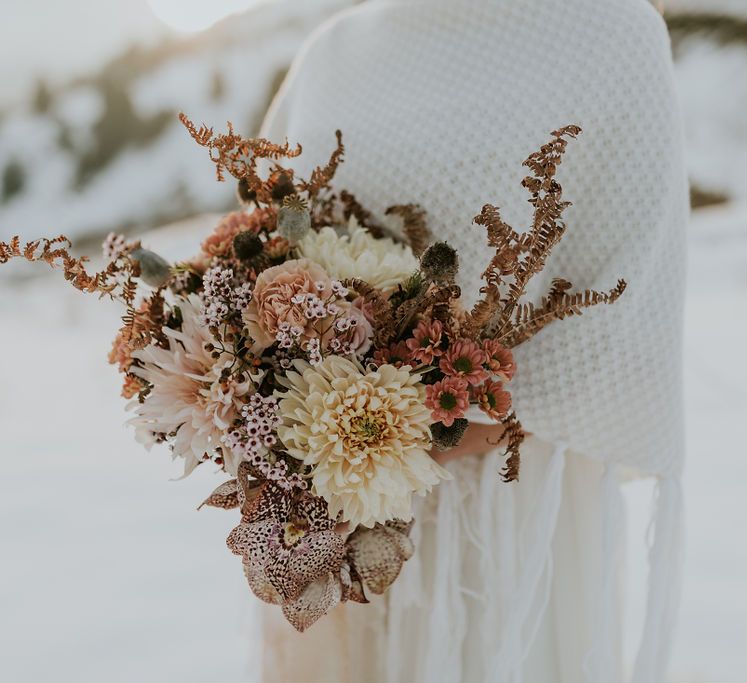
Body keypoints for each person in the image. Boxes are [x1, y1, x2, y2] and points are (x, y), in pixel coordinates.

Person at [258, 0, 688, 680]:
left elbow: (624, 306)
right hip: (337, 517)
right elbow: (261, 252)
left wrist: (416, 424)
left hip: (512, 512)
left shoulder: (608, 29)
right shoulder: (331, 55)